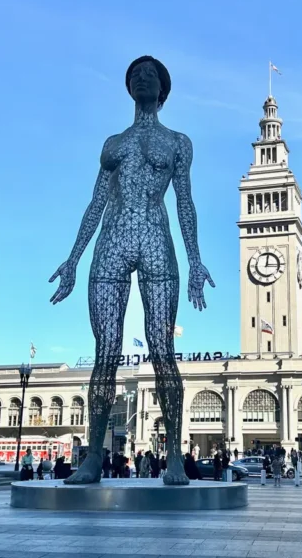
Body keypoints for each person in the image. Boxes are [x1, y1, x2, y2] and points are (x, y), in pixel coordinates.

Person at [50, 55, 214, 486]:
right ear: (129, 88)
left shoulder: (178, 142)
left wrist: (195, 259)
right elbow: (96, 202)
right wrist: (73, 258)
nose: (143, 77)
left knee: (163, 352)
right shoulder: (113, 144)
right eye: (136, 74)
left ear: (163, 90)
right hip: (112, 242)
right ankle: (91, 460)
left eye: (151, 74)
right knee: (105, 352)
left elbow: (184, 202)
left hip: (157, 242)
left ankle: (175, 456)